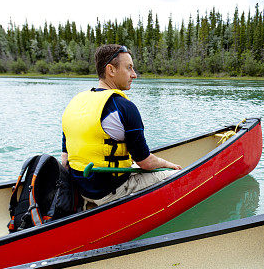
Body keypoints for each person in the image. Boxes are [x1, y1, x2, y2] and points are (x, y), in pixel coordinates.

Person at [61, 44, 181, 208]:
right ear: (111, 70)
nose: (134, 75)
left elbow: (65, 159)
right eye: (129, 68)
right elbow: (145, 162)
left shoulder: (75, 102)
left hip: (83, 190)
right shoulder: (123, 106)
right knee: (177, 174)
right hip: (111, 191)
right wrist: (168, 165)